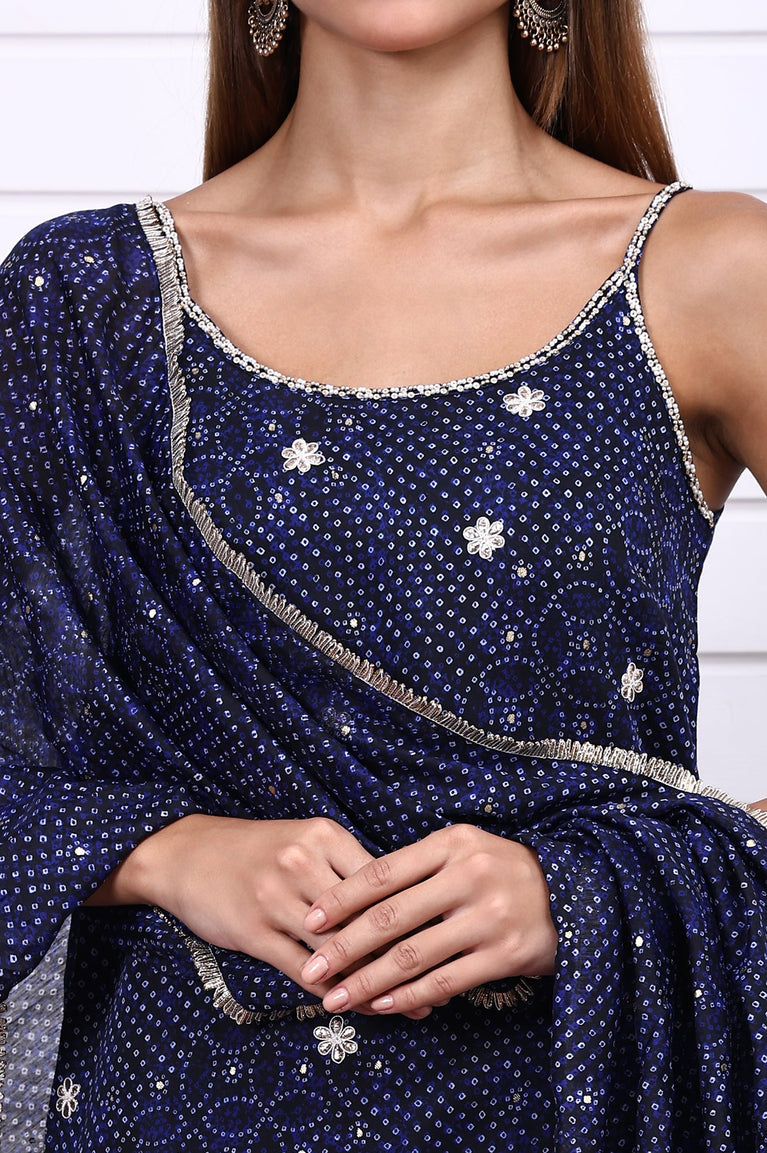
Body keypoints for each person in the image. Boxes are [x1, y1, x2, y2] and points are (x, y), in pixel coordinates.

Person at [1, 0, 766, 1148]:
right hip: (173, 1099)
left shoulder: (711, 271)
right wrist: (160, 850)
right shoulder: (81, 299)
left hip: (566, 1095)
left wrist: (591, 890)